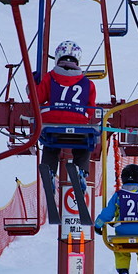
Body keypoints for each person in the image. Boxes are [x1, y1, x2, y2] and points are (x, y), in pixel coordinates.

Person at [35, 40, 97, 178]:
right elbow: (91, 109)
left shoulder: (50, 77)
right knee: (84, 144)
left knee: (50, 143)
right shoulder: (87, 83)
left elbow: (37, 99)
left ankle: (49, 170)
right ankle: (81, 170)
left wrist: (33, 85)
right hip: (78, 121)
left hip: (52, 120)